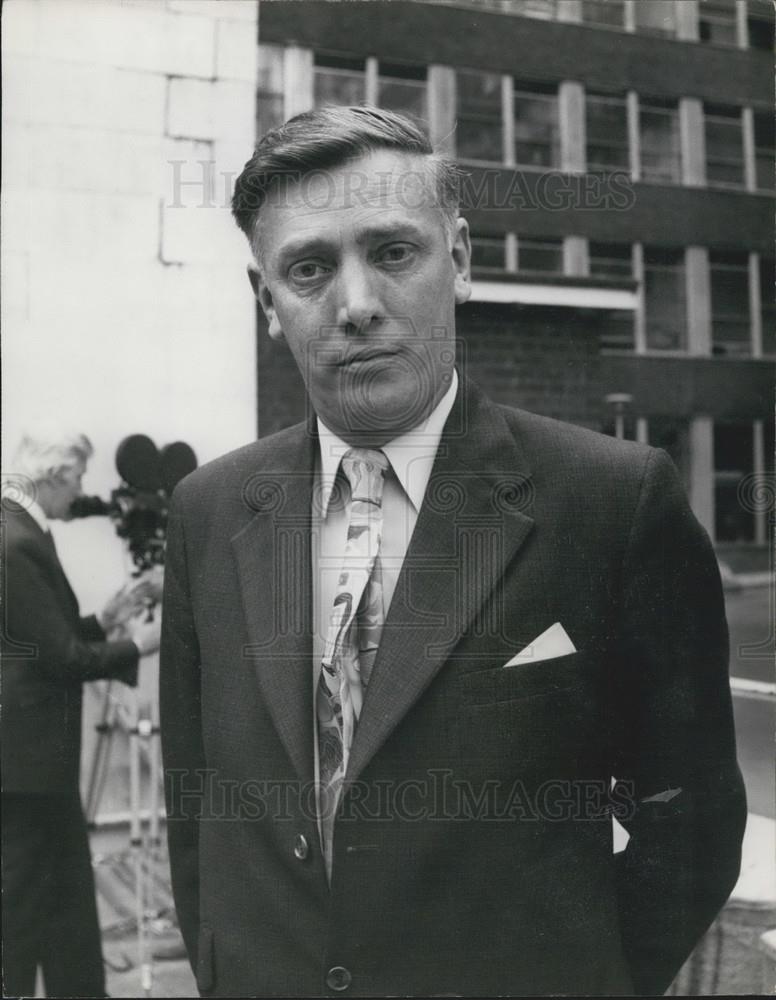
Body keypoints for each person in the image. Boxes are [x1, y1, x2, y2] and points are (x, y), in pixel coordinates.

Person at [160, 106, 746, 997]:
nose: (355, 305)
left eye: (393, 252)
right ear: (266, 302)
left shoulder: (612, 501)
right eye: (309, 269)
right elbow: (196, 803)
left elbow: (693, 817)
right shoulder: (207, 510)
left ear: (460, 260)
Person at [1, 428, 161, 998]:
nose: (80, 495)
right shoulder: (16, 542)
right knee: (22, 915)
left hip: (34, 765)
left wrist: (110, 615)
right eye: (77, 482)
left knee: (63, 903)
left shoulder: (19, 533)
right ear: (53, 476)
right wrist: (141, 644)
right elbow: (63, 659)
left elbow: (49, 640)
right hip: (28, 768)